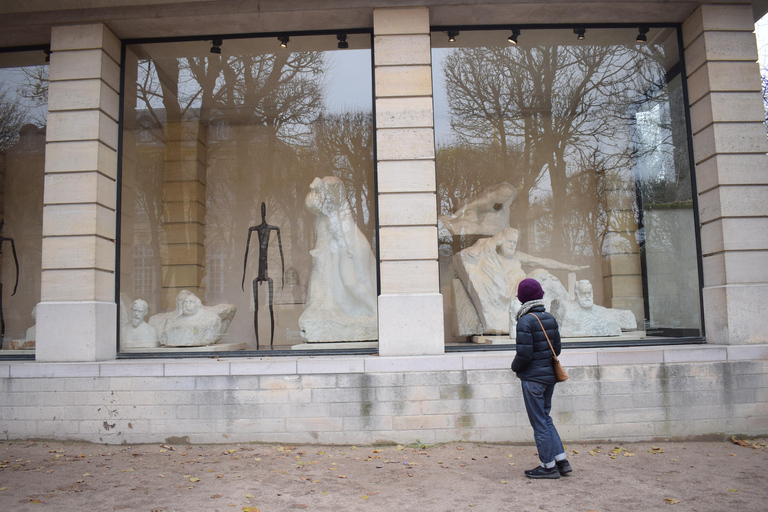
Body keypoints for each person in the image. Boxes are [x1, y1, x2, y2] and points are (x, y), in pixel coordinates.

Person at [510, 278, 572, 479]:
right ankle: (561, 461)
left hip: (533, 379)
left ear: (522, 298)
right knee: (546, 418)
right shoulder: (549, 318)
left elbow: (524, 355)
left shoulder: (525, 320)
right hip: (548, 378)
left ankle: (548, 466)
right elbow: (557, 349)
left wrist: (514, 367)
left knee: (539, 423)